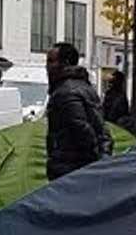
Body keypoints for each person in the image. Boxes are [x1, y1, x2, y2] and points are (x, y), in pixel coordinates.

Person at [45, 42, 112, 180]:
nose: (46, 66)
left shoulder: (65, 92)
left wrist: (94, 161)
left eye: (51, 61)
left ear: (66, 62)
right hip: (80, 167)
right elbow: (101, 129)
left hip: (70, 168)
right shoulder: (85, 87)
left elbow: (81, 128)